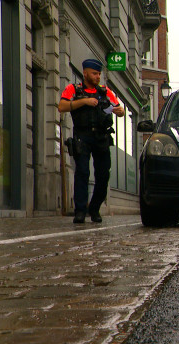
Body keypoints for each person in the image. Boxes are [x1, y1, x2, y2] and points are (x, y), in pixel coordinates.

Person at [58, 59, 125, 223]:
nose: (98, 77)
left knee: (103, 175)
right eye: (95, 74)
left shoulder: (105, 91)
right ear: (86, 73)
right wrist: (84, 101)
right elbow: (62, 106)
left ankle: (94, 208)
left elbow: (121, 110)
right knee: (82, 172)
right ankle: (80, 211)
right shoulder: (73, 89)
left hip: (101, 137)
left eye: (99, 74)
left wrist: (118, 110)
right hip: (82, 135)